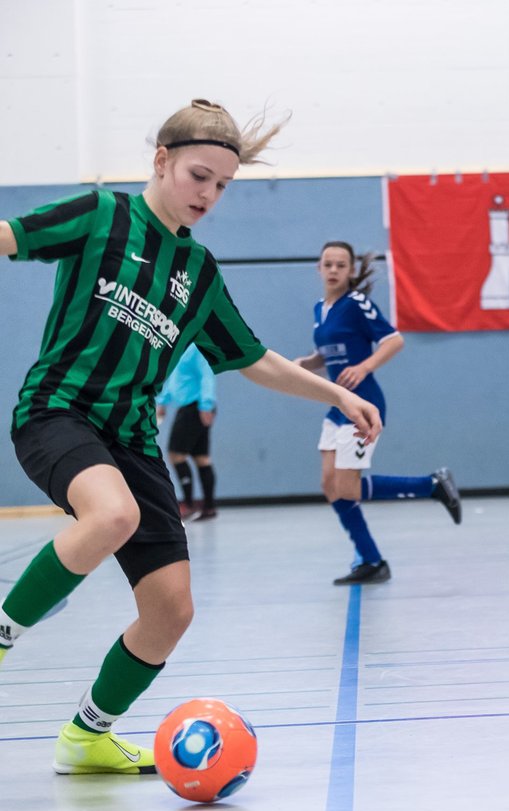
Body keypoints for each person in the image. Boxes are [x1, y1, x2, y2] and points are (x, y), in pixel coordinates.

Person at [0, 99, 382, 775]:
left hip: (131, 437)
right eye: (199, 176)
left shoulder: (198, 273)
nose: (208, 194)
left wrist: (341, 393)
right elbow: (9, 235)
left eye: (222, 185)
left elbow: (256, 360)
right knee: (110, 514)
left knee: (171, 609)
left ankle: (88, 735)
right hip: (57, 411)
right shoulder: (103, 217)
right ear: (161, 161)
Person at [294, 241, 462, 586]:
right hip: (338, 403)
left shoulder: (357, 303)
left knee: (348, 487)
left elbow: (393, 340)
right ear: (318, 268)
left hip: (364, 403)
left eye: (341, 265)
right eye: (328, 264)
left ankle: (431, 485)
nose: (334, 270)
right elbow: (326, 353)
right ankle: (371, 560)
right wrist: (304, 365)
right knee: (330, 486)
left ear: (351, 270)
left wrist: (364, 366)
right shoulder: (320, 308)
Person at [156, 345, 218, 520]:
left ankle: (189, 504)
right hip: (190, 406)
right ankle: (208, 507)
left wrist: (206, 404)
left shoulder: (196, 348)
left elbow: (207, 375)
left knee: (176, 454)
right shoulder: (181, 347)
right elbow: (176, 378)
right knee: (201, 458)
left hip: (195, 407)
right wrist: (163, 401)